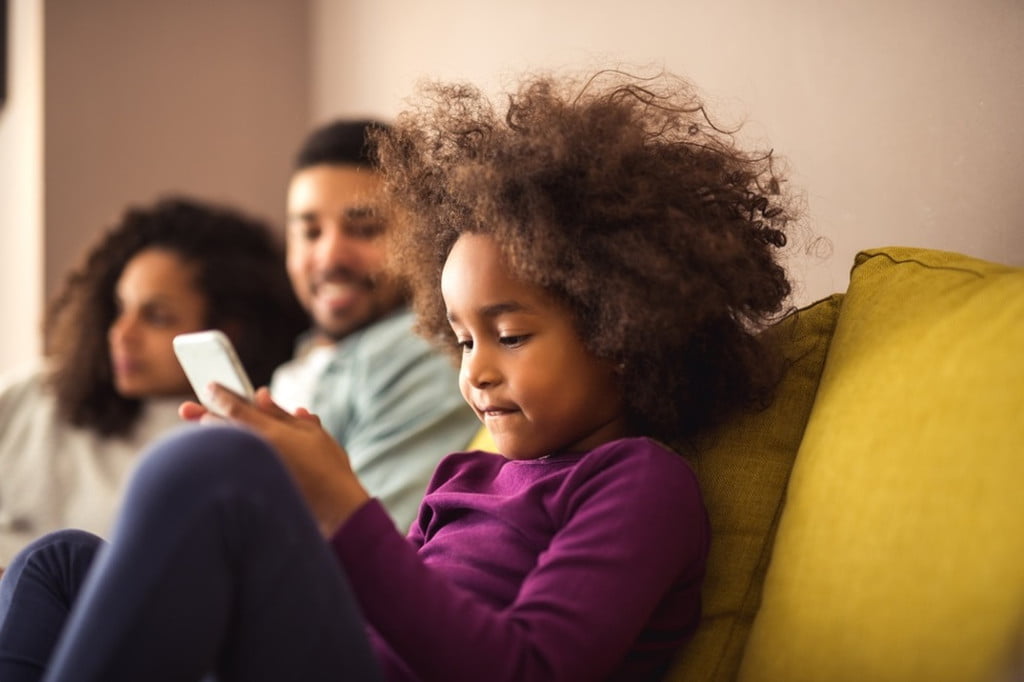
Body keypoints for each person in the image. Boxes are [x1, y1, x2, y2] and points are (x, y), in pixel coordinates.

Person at [0, 69, 801, 681]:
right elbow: (377, 610)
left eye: (511, 334)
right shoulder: (472, 473)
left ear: (625, 328)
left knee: (213, 465)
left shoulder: (638, 483)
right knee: (58, 562)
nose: (478, 371)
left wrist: (344, 507)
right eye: (460, 341)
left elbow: (529, 668)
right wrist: (310, 504)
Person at [0, 196, 306, 564]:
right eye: (118, 308)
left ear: (231, 332)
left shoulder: (243, 440)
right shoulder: (34, 395)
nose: (121, 334)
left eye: (157, 317)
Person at [270, 119, 480, 532]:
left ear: (423, 237)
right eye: (310, 232)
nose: (330, 257)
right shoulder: (306, 360)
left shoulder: (423, 351)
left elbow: (367, 547)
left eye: (365, 229)